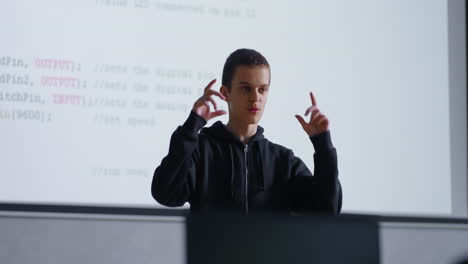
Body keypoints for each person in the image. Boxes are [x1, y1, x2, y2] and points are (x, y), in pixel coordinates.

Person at [151, 48, 342, 214]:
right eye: (245, 89)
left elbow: (326, 208)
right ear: (225, 93)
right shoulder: (201, 150)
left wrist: (323, 144)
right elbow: (166, 193)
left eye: (262, 89)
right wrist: (192, 126)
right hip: (211, 257)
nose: (255, 98)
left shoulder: (283, 160)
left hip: (268, 257)